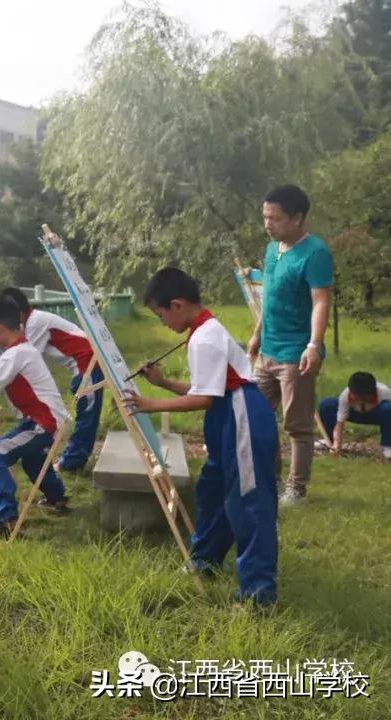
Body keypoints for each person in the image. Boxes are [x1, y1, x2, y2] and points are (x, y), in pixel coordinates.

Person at [128, 268, 278, 607]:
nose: (163, 321)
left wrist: (149, 404)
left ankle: (258, 596)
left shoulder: (205, 337)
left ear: (177, 304)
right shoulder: (202, 330)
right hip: (228, 414)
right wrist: (163, 383)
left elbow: (204, 399)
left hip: (241, 416)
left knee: (248, 503)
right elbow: (205, 388)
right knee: (213, 491)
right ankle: (206, 560)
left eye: (161, 313)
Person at [247, 185, 333, 507]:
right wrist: (257, 333)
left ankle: (296, 489)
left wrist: (313, 345)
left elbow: (321, 301)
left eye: (276, 218)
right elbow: (270, 297)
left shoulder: (315, 253)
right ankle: (268, 478)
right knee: (256, 415)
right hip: (267, 351)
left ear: (297, 218)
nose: (268, 224)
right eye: (265, 217)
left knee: (296, 425)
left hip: (296, 354)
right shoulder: (273, 250)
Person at [0, 297, 70, 540]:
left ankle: (5, 522)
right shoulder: (24, 350)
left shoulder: (16, 354)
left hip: (44, 423)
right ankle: (56, 498)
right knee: (31, 457)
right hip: (49, 420)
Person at [0, 286, 102, 472]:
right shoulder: (33, 320)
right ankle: (73, 459)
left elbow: (28, 357)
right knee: (86, 411)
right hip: (83, 364)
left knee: (87, 413)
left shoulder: (36, 322)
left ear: (21, 312)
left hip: (88, 362)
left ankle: (72, 461)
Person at [318, 372, 391, 460]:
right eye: (356, 397)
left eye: (363, 397)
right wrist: (337, 445)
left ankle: (388, 446)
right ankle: (329, 441)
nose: (360, 400)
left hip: (376, 413)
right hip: (354, 413)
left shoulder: (385, 393)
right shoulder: (345, 395)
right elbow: (339, 424)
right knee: (326, 405)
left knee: (388, 409)